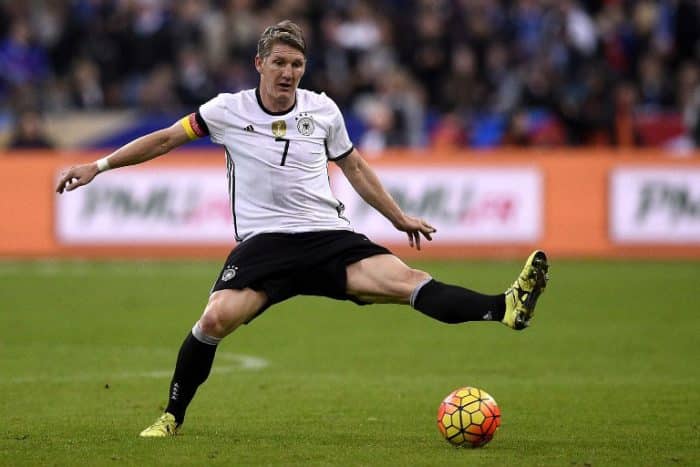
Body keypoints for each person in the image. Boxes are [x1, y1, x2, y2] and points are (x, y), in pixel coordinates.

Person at [56, 20, 549, 438]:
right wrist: (98, 167)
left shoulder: (323, 110)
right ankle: (171, 416)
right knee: (213, 321)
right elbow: (164, 139)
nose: (288, 73)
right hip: (265, 245)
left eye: (296, 65)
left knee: (409, 282)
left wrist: (398, 217)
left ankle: (503, 308)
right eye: (280, 64)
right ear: (259, 65)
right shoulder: (225, 111)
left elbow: (354, 168)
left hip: (326, 237)